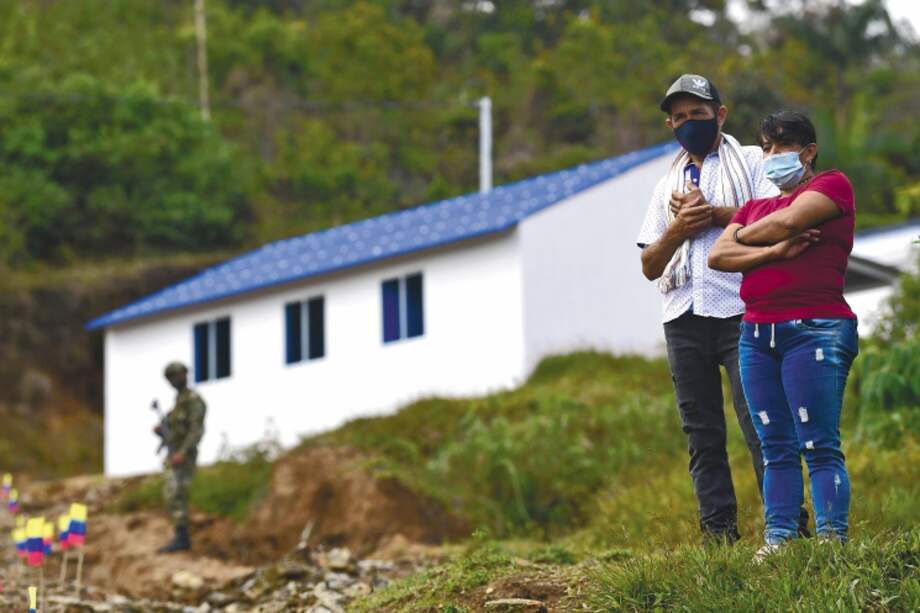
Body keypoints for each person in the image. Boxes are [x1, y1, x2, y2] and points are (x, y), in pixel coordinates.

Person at [637, 74, 809, 542]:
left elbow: (780, 218)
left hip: (742, 309)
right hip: (683, 319)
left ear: (721, 114)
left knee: (762, 423)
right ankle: (719, 539)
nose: (688, 123)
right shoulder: (664, 187)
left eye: (697, 113)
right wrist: (677, 229)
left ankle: (790, 532)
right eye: (679, 117)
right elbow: (650, 265)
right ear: (670, 124)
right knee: (702, 435)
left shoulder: (755, 163)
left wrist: (713, 214)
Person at [708, 110, 858, 555]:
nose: (772, 156)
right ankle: (780, 539)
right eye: (766, 148)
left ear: (808, 151)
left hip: (815, 329)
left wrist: (749, 237)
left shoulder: (832, 185)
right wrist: (774, 250)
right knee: (775, 444)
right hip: (756, 334)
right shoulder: (756, 206)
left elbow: (789, 221)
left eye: (781, 147)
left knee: (819, 443)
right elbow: (718, 255)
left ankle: (833, 540)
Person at [156, 361, 207, 554]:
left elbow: (196, 430)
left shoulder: (193, 400)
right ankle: (180, 534)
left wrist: (183, 453)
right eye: (171, 377)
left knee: (177, 491)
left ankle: (183, 538)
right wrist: (162, 430)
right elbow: (175, 428)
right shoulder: (179, 402)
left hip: (184, 455)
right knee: (171, 493)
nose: (175, 380)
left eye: (177, 375)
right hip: (174, 452)